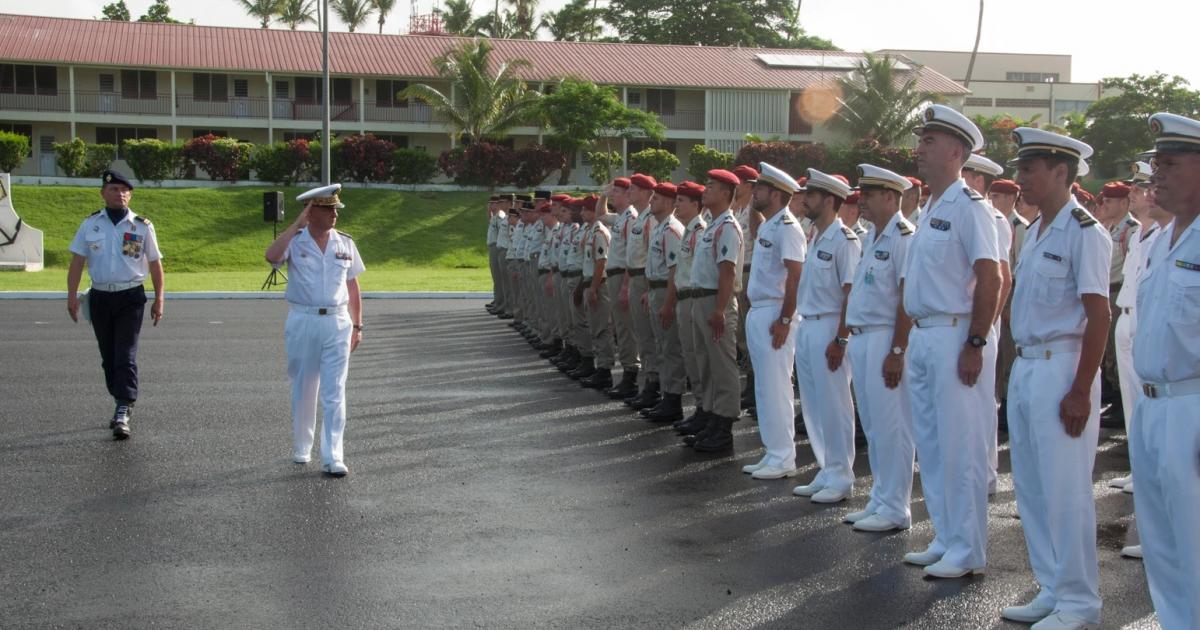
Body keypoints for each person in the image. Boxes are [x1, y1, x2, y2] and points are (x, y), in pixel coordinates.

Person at [1002, 128, 1110, 630]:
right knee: (1033, 488)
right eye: (1020, 168)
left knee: (1066, 490)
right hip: (1028, 366)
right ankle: (1052, 586)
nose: (1020, 177)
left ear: (1062, 173)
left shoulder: (1085, 230)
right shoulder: (1036, 228)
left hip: (1062, 366)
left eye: (1030, 169)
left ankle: (1080, 602)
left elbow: (1098, 314)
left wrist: (1081, 389)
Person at [901, 105, 1001, 579]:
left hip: (956, 334)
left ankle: (968, 548)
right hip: (925, 335)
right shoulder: (930, 208)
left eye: (929, 142)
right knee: (933, 444)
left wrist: (977, 342)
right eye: (921, 140)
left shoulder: (971, 207)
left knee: (962, 447)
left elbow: (992, 277)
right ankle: (946, 535)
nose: (919, 149)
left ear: (956, 151)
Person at [1128, 112, 1200, 630]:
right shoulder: (1161, 240)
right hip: (1153, 406)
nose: (1157, 174)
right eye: (1156, 164)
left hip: (1191, 408)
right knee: (1163, 543)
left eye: (1170, 164)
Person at [264, 184, 364, 477]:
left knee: (335, 391)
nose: (335, 213)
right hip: (303, 320)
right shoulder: (295, 241)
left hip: (337, 322)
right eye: (329, 208)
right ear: (312, 211)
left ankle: (334, 455)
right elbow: (271, 256)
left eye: (336, 208)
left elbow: (353, 286)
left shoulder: (345, 243)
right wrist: (296, 224)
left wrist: (358, 325)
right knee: (304, 387)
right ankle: (302, 447)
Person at [842, 164, 916, 532]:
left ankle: (896, 507)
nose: (862, 202)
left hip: (886, 336)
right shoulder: (872, 236)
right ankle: (880, 497)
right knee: (873, 425)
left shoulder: (903, 236)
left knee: (893, 426)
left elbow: (906, 297)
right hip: (864, 336)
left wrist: (898, 350)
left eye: (868, 196)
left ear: (890, 197)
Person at [66, 170, 165, 440]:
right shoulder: (90, 225)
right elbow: (77, 262)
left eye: (124, 189)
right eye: (113, 189)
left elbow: (155, 264)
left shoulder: (142, 226)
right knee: (108, 356)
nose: (119, 193)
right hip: (100, 297)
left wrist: (160, 298)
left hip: (130, 296)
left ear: (130, 194)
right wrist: (71, 296)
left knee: (125, 354)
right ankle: (119, 398)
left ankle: (124, 406)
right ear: (103, 193)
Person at [791, 169, 861, 504]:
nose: (805, 200)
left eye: (812, 195)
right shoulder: (815, 235)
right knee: (815, 406)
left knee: (835, 406)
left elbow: (850, 293)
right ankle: (827, 467)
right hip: (808, 325)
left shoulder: (844, 240)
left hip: (830, 327)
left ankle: (842, 475)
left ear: (829, 200)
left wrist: (842, 338)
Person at [739, 162, 805, 480]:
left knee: (777, 386)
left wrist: (784, 318)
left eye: (761, 189)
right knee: (764, 387)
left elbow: (795, 276)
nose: (755, 192)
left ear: (777, 194)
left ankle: (784, 456)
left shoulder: (789, 227)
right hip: (760, 310)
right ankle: (772, 451)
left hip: (776, 312)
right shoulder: (770, 225)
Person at [684, 169, 745, 452]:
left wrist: (720, 309)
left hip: (715, 301)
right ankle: (709, 415)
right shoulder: (712, 224)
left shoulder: (728, 227)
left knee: (722, 366)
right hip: (701, 300)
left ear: (726, 194)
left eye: (711, 186)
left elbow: (727, 272)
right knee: (705, 363)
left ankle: (724, 426)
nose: (705, 190)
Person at [641, 182, 686, 422]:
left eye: (656, 198)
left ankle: (673, 399)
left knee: (670, 348)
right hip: (656, 290)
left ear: (669, 202)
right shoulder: (659, 228)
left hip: (666, 292)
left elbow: (673, 271)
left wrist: (668, 303)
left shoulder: (671, 229)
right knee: (661, 345)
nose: (651, 202)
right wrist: (649, 291)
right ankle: (666, 394)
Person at [666, 182, 709, 435]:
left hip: (694, 298)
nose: (677, 205)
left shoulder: (700, 230)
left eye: (682, 200)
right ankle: (701, 409)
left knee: (698, 358)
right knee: (691, 358)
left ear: (696, 204)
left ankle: (705, 410)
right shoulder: (689, 231)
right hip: (684, 298)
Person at [622, 174, 662, 409]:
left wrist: (646, 288)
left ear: (648, 193)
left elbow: (651, 257)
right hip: (636, 278)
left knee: (649, 336)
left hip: (645, 281)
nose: (629, 192)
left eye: (634, 189)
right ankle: (649, 383)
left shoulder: (651, 220)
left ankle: (654, 386)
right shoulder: (640, 219)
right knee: (643, 335)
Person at [604, 178, 642, 399]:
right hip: (616, 275)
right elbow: (600, 214)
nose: (612, 195)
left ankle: (631, 376)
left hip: (624, 276)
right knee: (621, 326)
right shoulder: (621, 218)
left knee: (627, 329)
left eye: (616, 192)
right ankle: (630, 375)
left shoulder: (631, 218)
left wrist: (626, 286)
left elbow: (631, 255)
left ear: (628, 194)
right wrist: (603, 195)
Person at [577, 194, 615, 389]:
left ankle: (605, 370)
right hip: (590, 283)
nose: (582, 212)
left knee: (601, 328)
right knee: (594, 326)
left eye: (586, 209)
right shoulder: (590, 231)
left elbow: (601, 263)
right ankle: (599, 367)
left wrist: (593, 288)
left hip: (598, 285)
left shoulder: (599, 232)